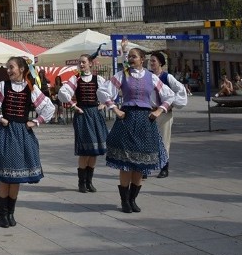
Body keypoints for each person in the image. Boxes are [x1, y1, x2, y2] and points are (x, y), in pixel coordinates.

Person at [98, 47, 175, 214]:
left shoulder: (151, 77)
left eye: (134, 57)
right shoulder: (122, 75)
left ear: (142, 59)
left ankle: (133, 199)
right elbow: (103, 91)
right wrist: (115, 109)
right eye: (129, 57)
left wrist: (159, 110)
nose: (131, 59)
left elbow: (170, 95)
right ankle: (124, 200)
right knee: (126, 163)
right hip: (127, 119)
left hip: (145, 121)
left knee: (141, 163)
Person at [0, 57, 55, 228]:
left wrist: (35, 122)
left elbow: (49, 107)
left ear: (21, 69)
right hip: (5, 133)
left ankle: (11, 212)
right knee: (5, 177)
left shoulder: (31, 88)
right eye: (7, 68)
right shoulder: (3, 86)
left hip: (22, 134)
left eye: (11, 67)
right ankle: (3, 215)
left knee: (16, 177)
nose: (8, 70)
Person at [58, 52, 108, 192]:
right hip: (82, 114)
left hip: (95, 114)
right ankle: (81, 182)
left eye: (83, 62)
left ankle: (89, 181)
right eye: (79, 62)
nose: (81, 64)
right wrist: (74, 106)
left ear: (90, 64)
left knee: (94, 151)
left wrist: (103, 104)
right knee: (84, 151)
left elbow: (109, 93)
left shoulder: (98, 79)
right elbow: (63, 93)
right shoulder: (75, 79)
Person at [147, 51, 188, 178]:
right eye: (150, 61)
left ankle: (164, 167)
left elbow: (181, 91)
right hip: (149, 112)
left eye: (154, 60)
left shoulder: (167, 77)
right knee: (147, 141)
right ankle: (145, 168)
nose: (151, 63)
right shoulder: (147, 76)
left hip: (164, 114)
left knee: (164, 141)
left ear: (160, 63)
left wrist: (171, 103)